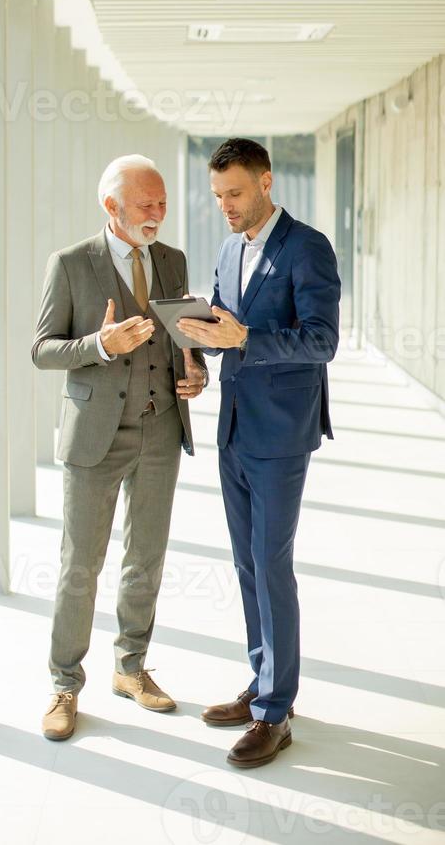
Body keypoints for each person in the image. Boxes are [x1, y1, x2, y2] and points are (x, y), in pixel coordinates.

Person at [32, 153, 208, 741]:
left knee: (147, 558)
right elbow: (42, 349)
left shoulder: (173, 261)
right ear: (112, 207)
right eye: (145, 205)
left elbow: (185, 340)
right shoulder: (70, 264)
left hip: (161, 429)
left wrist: (196, 372)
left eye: (162, 203)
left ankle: (131, 667)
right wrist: (100, 344)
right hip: (96, 435)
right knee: (80, 564)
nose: (158, 214)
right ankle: (64, 683)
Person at [178, 137, 341, 768]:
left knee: (271, 565)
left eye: (236, 193)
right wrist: (197, 354)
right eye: (219, 196)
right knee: (247, 564)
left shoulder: (307, 247)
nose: (226, 206)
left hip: (280, 434)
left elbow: (321, 340)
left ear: (267, 182)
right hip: (234, 428)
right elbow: (227, 335)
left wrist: (250, 336)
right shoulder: (227, 249)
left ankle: (276, 711)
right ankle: (261, 683)